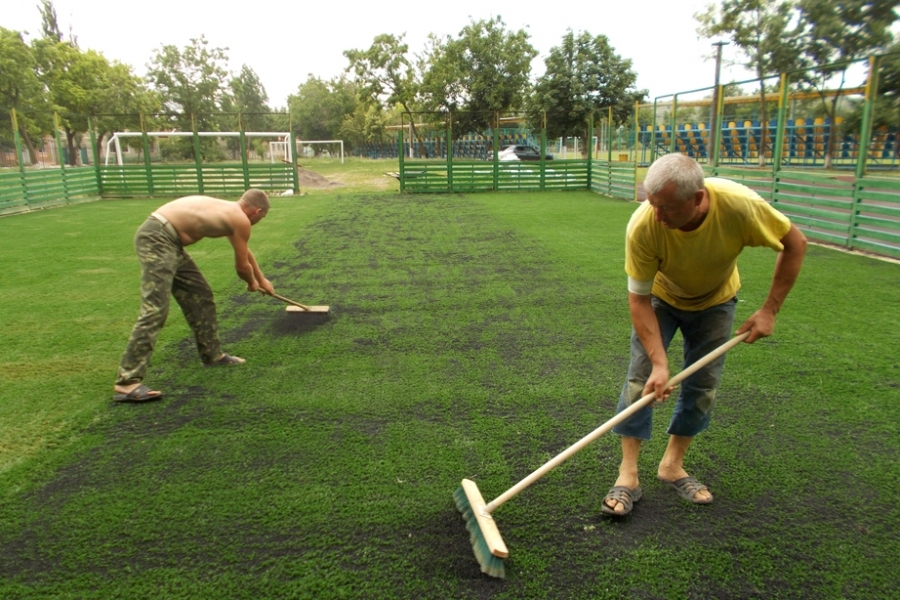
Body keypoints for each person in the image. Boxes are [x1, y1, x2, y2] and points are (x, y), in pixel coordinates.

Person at [601, 154, 807, 516]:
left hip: (716, 302)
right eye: (652, 204)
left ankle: (672, 466)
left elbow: (795, 243)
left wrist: (769, 310)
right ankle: (628, 475)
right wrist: (660, 363)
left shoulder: (740, 207)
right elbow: (638, 300)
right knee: (641, 380)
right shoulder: (644, 225)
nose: (658, 215)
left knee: (702, 385)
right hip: (661, 300)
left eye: (666, 208)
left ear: (697, 198)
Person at [112, 189, 276, 403]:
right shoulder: (240, 219)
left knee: (200, 294)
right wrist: (252, 283)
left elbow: (244, 252)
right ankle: (127, 381)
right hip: (157, 238)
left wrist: (261, 279)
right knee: (156, 308)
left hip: (170, 242)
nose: (257, 222)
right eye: (260, 219)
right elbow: (241, 267)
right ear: (257, 211)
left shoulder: (231, 212)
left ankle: (212, 355)